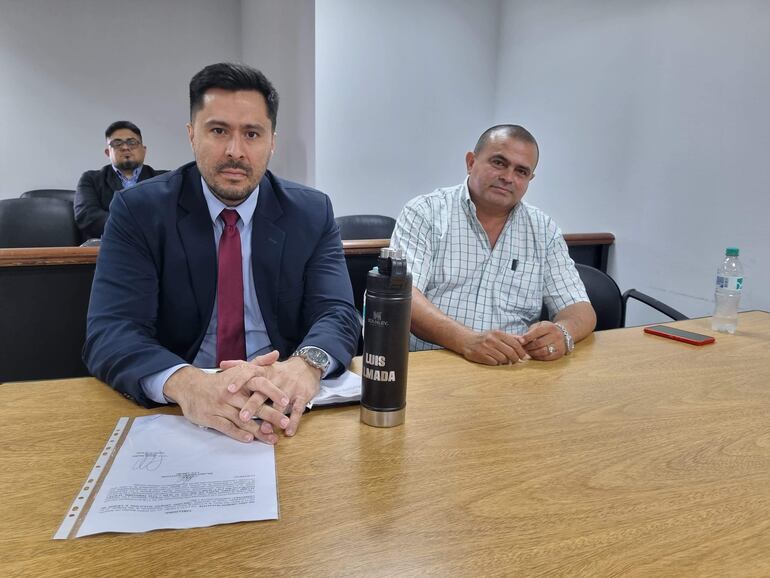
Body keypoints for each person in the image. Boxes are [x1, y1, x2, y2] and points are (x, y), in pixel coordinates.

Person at [84, 63, 360, 444]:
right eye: (218, 131)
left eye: (252, 134)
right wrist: (185, 384)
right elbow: (111, 331)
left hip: (283, 407)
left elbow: (338, 311)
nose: (235, 151)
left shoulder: (310, 212)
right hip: (181, 413)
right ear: (191, 135)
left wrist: (305, 366)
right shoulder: (139, 211)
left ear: (272, 142)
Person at [390, 124, 596, 365]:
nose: (508, 177)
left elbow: (580, 308)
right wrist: (467, 341)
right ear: (471, 162)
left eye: (521, 171)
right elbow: (402, 295)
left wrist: (563, 332)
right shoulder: (425, 212)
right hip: (431, 364)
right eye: (499, 163)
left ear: (530, 178)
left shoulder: (543, 230)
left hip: (511, 370)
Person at [74, 121, 163, 239]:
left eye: (132, 142)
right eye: (117, 143)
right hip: (109, 245)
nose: (125, 147)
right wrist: (135, 228)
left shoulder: (164, 180)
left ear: (144, 150)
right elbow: (86, 216)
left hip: (155, 247)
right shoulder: (91, 179)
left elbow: (171, 217)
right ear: (108, 152)